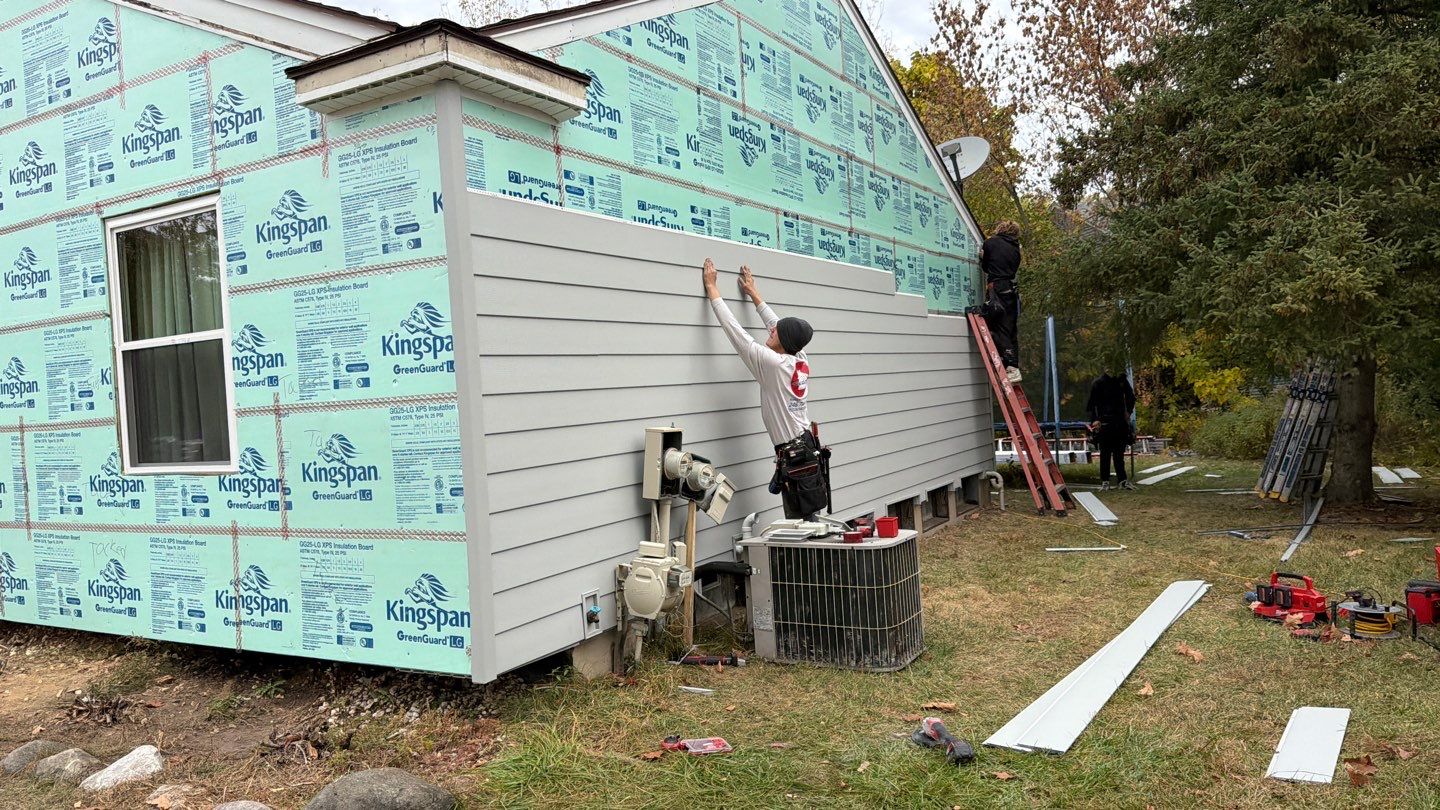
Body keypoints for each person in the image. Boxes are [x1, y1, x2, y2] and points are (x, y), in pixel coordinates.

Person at [702, 259, 826, 519]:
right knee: (808, 516)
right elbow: (776, 323)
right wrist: (753, 292)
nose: (771, 331)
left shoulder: (773, 364)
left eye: (776, 332)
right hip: (803, 446)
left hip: (795, 455)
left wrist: (713, 289)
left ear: (785, 340)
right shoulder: (798, 356)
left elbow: (736, 333)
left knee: (801, 523)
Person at [980, 220, 1022, 383]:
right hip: (1011, 289)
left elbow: (985, 266)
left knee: (998, 327)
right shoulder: (1016, 249)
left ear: (1000, 229)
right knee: (1010, 329)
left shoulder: (990, 243)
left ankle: (1009, 365)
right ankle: (1014, 366)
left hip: (997, 287)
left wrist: (983, 256)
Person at [1086, 369, 1137, 490]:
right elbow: (1091, 405)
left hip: (1119, 421)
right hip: (1104, 422)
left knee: (1119, 453)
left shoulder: (1121, 380)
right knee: (1105, 453)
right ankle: (1105, 481)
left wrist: (1128, 412)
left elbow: (1131, 397)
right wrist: (1095, 420)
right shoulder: (1098, 383)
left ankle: (1122, 480)